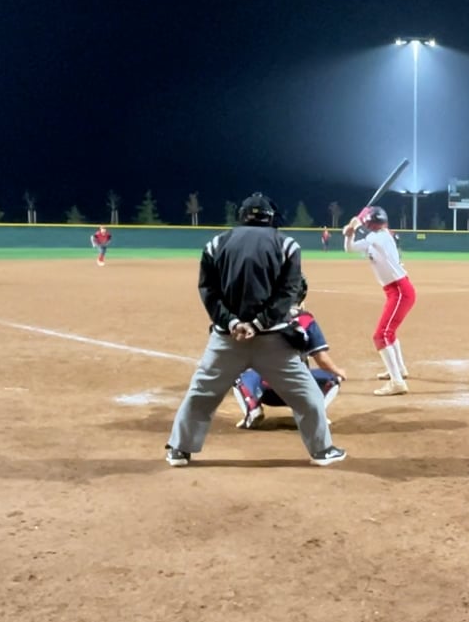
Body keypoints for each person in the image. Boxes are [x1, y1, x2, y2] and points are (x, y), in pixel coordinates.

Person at [165, 192, 344, 467]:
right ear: (270, 217)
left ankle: (179, 450)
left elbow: (209, 292)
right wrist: (260, 323)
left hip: (227, 339)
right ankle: (322, 450)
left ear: (242, 216)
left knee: (201, 393)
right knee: (307, 395)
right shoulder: (287, 244)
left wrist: (233, 322)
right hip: (274, 341)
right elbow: (288, 292)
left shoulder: (216, 243)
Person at [232, 308, 348, 429]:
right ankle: (314, 414)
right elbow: (322, 359)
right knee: (333, 378)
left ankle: (252, 407)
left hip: (266, 391)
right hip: (301, 390)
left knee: (238, 375)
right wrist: (337, 371)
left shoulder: (256, 320)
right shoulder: (305, 319)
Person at [344, 204, 416, 395]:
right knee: (388, 333)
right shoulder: (374, 237)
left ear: (371, 223)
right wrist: (349, 234)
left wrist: (355, 225)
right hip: (394, 291)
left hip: (400, 291)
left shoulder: (381, 237)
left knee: (381, 335)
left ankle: (397, 382)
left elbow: (366, 237)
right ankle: (399, 369)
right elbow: (350, 248)